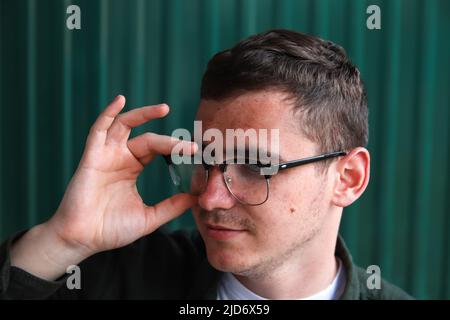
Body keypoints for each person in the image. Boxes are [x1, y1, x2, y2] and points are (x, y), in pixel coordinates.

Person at [0, 29, 411, 299]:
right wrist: (64, 240)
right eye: (205, 159)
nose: (211, 197)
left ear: (348, 178)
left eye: (254, 166)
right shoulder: (123, 278)